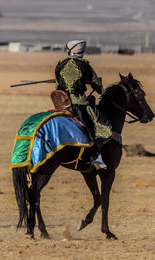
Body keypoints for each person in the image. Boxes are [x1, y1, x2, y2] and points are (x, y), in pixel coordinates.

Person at [55, 40, 112, 168]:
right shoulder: (85, 66)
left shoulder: (60, 65)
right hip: (79, 105)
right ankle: (95, 157)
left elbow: (57, 85)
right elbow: (97, 86)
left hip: (62, 104)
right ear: (82, 52)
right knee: (101, 125)